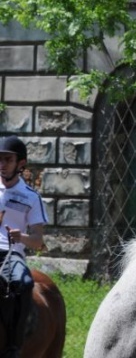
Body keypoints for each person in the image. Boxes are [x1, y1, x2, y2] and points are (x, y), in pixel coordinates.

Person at [0, 135, 47, 358]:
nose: (2, 164)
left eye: (8, 160)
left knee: (24, 283)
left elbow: (38, 240)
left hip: (10, 253)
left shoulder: (31, 197)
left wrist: (21, 237)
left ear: (21, 163)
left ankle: (13, 345)